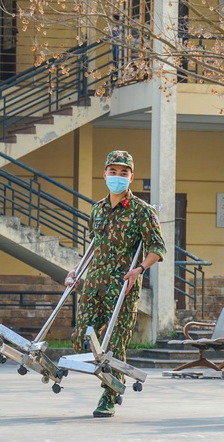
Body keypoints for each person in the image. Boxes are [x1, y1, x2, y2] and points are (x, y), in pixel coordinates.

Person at [66, 150, 166, 418]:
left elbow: (158, 247)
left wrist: (139, 269)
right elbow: (92, 247)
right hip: (94, 284)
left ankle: (109, 395)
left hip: (122, 287)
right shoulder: (97, 209)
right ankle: (109, 379)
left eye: (124, 173)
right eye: (113, 172)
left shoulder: (142, 211)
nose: (118, 177)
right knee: (80, 339)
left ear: (131, 177)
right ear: (105, 174)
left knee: (114, 345)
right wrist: (76, 270)